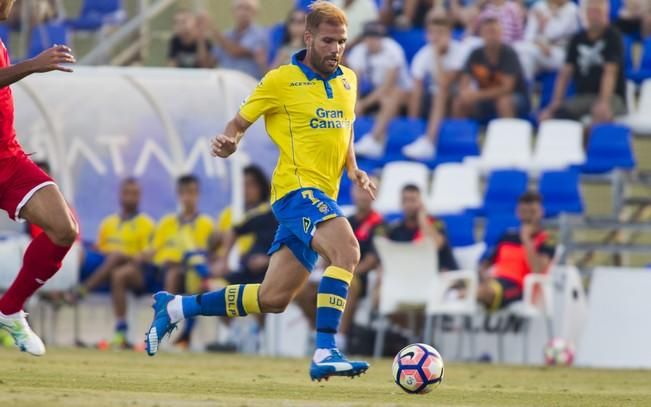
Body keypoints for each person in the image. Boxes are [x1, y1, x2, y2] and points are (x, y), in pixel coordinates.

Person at [145, 1, 376, 382]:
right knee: (347, 250)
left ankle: (176, 308)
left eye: (342, 42)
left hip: (324, 197)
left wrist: (354, 169)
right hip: (295, 193)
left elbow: (345, 127)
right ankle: (326, 348)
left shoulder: (348, 80)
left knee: (272, 299)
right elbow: (238, 123)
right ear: (308, 38)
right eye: (328, 41)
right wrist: (230, 142)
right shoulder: (279, 81)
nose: (336, 49)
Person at [0, 0, 78, 357]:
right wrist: (32, 65)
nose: (10, 4)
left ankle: (9, 310)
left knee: (65, 230)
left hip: (8, 157)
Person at [295, 178, 383, 351]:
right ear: (352, 193)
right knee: (302, 289)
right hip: (334, 270)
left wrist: (345, 270)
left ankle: (339, 336)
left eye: (368, 191)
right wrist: (325, 268)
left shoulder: (380, 225)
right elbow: (329, 249)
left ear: (376, 195)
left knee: (347, 284)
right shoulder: (344, 221)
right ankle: (317, 332)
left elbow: (372, 259)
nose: (363, 195)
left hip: (360, 277)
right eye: (360, 190)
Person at [67, 178, 155, 348]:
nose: (130, 198)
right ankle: (120, 331)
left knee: (118, 264)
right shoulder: (108, 223)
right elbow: (100, 251)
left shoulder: (147, 224)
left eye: (134, 194)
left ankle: (82, 289)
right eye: (127, 193)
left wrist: (123, 256)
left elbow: (145, 257)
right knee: (88, 257)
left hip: (136, 273)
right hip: (108, 273)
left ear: (140, 197)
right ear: (120, 195)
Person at [149, 174, 214, 348]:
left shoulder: (206, 224)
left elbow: (207, 255)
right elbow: (156, 253)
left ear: (198, 194)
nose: (188, 197)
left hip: (195, 273)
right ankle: (163, 329)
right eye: (184, 193)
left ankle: (180, 334)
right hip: (166, 272)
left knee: (203, 281)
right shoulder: (166, 223)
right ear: (178, 195)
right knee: (174, 274)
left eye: (192, 192)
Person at [540, 0, 627, 124]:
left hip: (612, 97)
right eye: (592, 11)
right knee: (556, 114)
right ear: (585, 14)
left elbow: (610, 72)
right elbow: (565, 73)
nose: (595, 15)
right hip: (583, 96)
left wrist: (604, 102)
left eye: (599, 11)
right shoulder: (577, 39)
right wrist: (555, 103)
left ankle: (591, 142)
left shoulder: (613, 37)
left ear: (606, 13)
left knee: (600, 114)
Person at [402, 15, 468, 160]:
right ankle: (414, 135)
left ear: (449, 34)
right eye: (433, 33)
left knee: (441, 91)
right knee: (405, 94)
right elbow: (417, 87)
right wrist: (413, 121)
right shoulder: (423, 54)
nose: (437, 37)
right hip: (433, 96)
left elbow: (445, 83)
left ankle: (430, 142)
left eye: (441, 33)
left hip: (457, 95)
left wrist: (437, 55)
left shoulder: (460, 51)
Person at [477, 191, 555, 311]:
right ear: (518, 213)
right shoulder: (508, 236)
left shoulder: (546, 240)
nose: (528, 217)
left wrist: (527, 240)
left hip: (519, 287)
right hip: (496, 281)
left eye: (532, 212)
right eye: (524, 213)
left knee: (481, 293)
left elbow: (537, 270)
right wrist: (484, 278)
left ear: (541, 212)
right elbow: (485, 264)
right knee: (468, 289)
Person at [350, 21, 412, 159]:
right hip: (374, 92)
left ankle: (374, 138)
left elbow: (388, 85)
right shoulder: (359, 51)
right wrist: (356, 102)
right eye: (369, 36)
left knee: (390, 96)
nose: (372, 40)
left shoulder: (393, 50)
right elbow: (355, 80)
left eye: (376, 37)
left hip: (404, 93)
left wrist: (364, 104)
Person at [452, 17, 530, 122]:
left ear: (501, 33)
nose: (491, 36)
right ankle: (461, 136)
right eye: (488, 32)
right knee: (460, 102)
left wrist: (476, 95)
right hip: (485, 98)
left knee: (503, 102)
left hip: (515, 97)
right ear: (481, 34)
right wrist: (465, 94)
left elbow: (506, 88)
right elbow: (464, 82)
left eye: (494, 32)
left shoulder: (509, 53)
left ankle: (507, 135)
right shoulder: (475, 54)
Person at [377, 184, 458, 272]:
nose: (409, 204)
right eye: (405, 200)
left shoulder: (435, 223)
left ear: (421, 202)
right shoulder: (396, 229)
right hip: (413, 275)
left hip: (443, 274)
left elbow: (435, 245)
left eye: (413, 200)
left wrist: (423, 219)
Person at [200, 0, 268, 79]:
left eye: (248, 8)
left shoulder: (260, 34)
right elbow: (207, 65)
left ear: (256, 12)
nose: (243, 12)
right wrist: (200, 37)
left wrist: (212, 29)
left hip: (249, 86)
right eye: (239, 8)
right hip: (226, 87)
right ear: (233, 11)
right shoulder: (226, 36)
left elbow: (236, 51)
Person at [514, 0, 580, 81]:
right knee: (520, 51)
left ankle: (525, 88)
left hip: (562, 52)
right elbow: (528, 36)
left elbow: (554, 33)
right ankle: (526, 87)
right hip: (539, 49)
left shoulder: (572, 9)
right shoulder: (539, 6)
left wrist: (549, 16)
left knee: (524, 52)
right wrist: (540, 43)